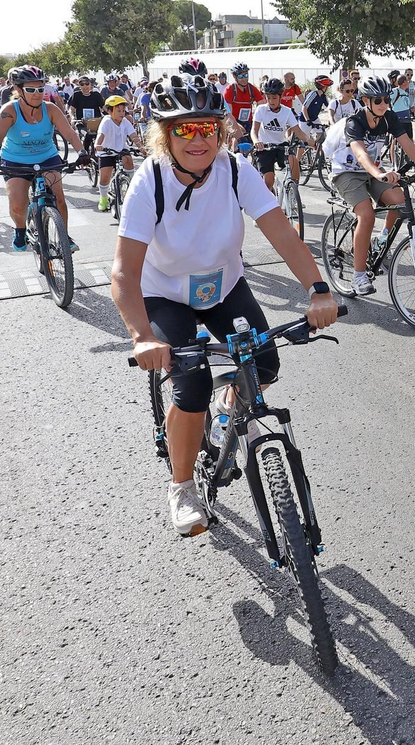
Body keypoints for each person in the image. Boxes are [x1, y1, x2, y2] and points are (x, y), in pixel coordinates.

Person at [111, 70, 340, 535]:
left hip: (223, 286)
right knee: (191, 387)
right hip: (165, 293)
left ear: (220, 130)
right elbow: (124, 273)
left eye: (207, 128)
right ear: (165, 135)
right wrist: (142, 337)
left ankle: (227, 405)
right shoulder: (149, 181)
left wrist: (318, 290)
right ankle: (181, 486)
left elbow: (282, 233)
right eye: (185, 129)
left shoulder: (234, 169)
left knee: (265, 363)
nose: (198, 140)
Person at [327, 77, 415, 295]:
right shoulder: (354, 122)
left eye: (386, 99)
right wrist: (380, 173)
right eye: (378, 100)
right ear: (365, 101)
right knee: (366, 215)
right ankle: (359, 276)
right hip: (347, 172)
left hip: (374, 171)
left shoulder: (389, 118)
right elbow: (360, 154)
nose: (383, 104)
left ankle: (381, 239)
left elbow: (407, 144)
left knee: (399, 202)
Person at [0, 65, 87, 252]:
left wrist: (82, 153)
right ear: (19, 89)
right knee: (18, 205)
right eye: (31, 90)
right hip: (15, 160)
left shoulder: (51, 109)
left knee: (59, 199)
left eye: (41, 89)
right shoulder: (10, 110)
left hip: (47, 157)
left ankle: (64, 237)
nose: (37, 94)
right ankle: (20, 230)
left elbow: (70, 133)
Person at [250, 78, 317, 194]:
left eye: (274, 97)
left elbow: (298, 131)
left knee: (294, 161)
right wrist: (256, 141)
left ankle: (293, 193)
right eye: (268, 97)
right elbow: (254, 130)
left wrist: (311, 141)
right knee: (268, 181)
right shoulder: (261, 109)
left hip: (281, 146)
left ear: (280, 97)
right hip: (264, 147)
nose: (271, 101)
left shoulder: (287, 111)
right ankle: (269, 197)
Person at [93, 95, 145, 211]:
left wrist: (141, 148)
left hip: (121, 149)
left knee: (128, 160)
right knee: (105, 177)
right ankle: (103, 198)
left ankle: (129, 186)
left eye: (123, 110)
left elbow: (133, 135)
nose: (122, 113)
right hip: (106, 151)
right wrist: (98, 145)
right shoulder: (106, 121)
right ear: (110, 111)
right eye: (118, 111)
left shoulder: (125, 122)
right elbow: (101, 135)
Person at [223, 63, 264, 150]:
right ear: (235, 77)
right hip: (234, 120)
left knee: (254, 142)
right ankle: (235, 153)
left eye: (246, 75)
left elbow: (262, 106)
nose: (244, 79)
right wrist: (237, 126)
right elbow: (228, 114)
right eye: (240, 76)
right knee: (239, 135)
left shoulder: (252, 89)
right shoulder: (230, 90)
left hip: (248, 121)